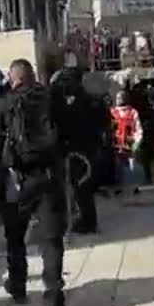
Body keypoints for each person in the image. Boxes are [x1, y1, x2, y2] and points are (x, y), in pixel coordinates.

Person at [0, 59, 67, 306]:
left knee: (15, 237)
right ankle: (54, 300)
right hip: (49, 179)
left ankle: (18, 286)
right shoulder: (51, 99)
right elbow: (65, 135)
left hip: (16, 182)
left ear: (13, 78)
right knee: (52, 240)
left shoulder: (5, 104)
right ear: (31, 76)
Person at [51, 50, 105, 234]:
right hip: (87, 146)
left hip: (75, 147)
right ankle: (85, 219)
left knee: (81, 185)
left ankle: (87, 222)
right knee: (82, 185)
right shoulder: (87, 96)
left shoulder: (69, 96)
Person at [111, 91, 143, 194]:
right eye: (117, 98)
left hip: (130, 143)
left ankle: (135, 186)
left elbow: (138, 128)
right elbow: (108, 127)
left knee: (132, 165)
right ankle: (119, 187)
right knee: (118, 166)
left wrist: (137, 142)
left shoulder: (133, 112)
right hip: (116, 143)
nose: (118, 100)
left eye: (120, 98)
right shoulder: (112, 112)